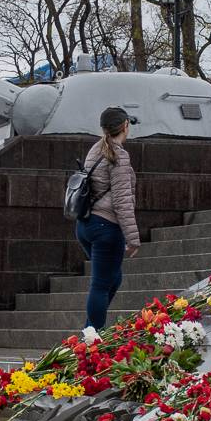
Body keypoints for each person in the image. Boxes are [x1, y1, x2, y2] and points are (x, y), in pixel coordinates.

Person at [74, 106, 140, 332]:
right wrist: (133, 239)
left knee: (113, 278)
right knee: (101, 284)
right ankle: (91, 339)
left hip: (85, 225)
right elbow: (122, 201)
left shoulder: (96, 149)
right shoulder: (118, 156)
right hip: (105, 228)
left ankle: (90, 332)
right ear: (124, 126)